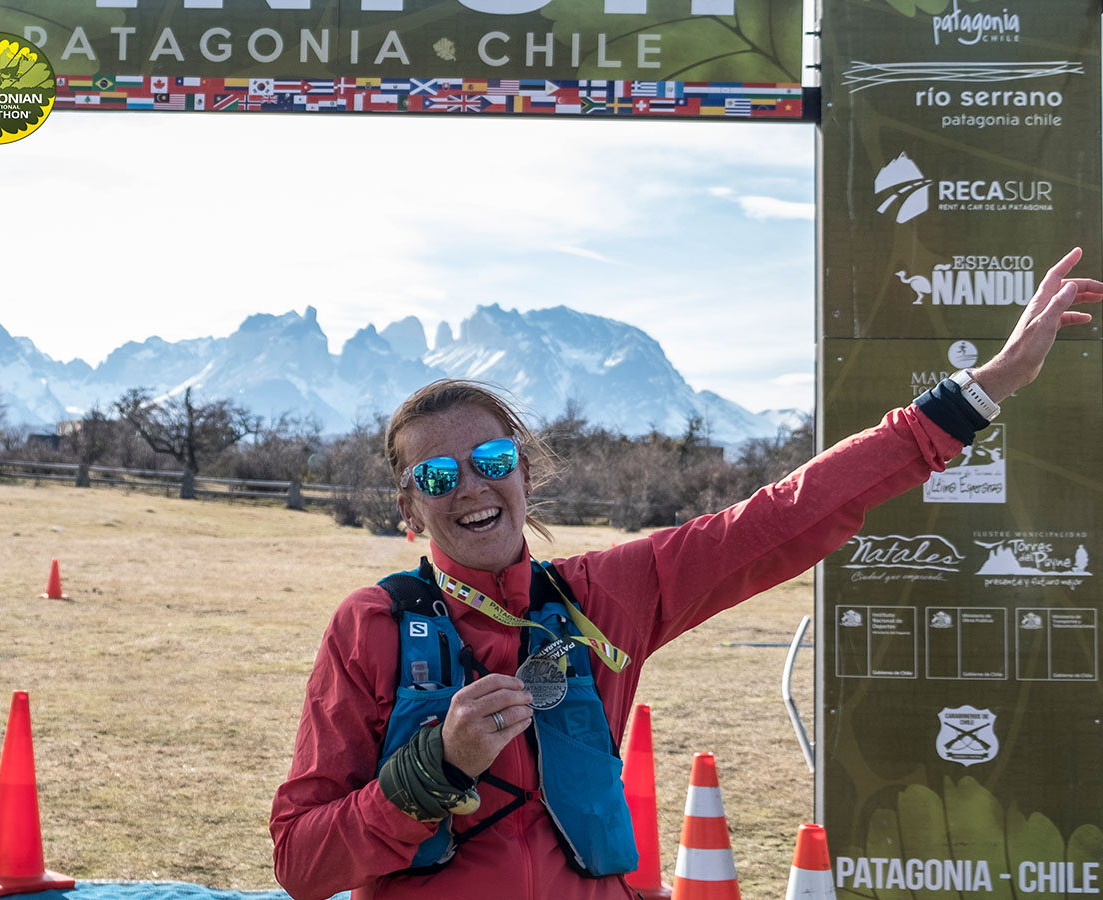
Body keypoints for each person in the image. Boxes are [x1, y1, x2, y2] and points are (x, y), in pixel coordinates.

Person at [270, 248, 1101, 900]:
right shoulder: (372, 627)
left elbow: (781, 517)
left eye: (491, 460)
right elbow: (301, 863)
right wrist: (433, 769)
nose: (472, 489)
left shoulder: (600, 599)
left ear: (524, 471)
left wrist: (979, 392)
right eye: (438, 476)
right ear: (410, 508)